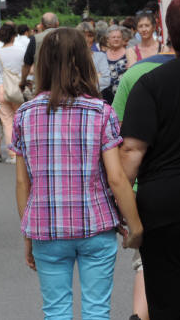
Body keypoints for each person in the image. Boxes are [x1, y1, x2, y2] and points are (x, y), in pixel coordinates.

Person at [12, 28, 143, 319]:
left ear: (43, 63)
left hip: (46, 228)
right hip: (95, 225)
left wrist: (27, 234)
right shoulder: (101, 112)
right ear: (85, 62)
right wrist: (134, 225)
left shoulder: (24, 114)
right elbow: (116, 178)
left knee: (56, 311)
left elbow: (23, 182)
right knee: (96, 310)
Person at [120, 0, 180, 319]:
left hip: (165, 207)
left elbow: (131, 152)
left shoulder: (150, 85)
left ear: (168, 33)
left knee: (167, 297)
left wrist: (122, 211)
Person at [0, 23, 25, 164]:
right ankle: (22, 151)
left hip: (1, 88)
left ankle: (12, 154)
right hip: (16, 88)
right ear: (14, 36)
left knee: (7, 123)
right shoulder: (21, 50)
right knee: (19, 120)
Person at [19, 12, 59, 91]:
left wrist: (23, 82)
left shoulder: (35, 39)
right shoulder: (68, 38)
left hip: (41, 86)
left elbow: (27, 65)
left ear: (41, 25)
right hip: (63, 86)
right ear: (57, 24)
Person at [76, 22, 111, 93]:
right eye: (83, 35)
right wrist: (95, 76)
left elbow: (106, 81)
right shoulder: (71, 57)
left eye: (90, 36)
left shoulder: (100, 56)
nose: (86, 39)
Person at [101, 25, 128, 104]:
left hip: (124, 97)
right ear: (108, 40)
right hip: (106, 98)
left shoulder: (129, 54)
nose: (116, 39)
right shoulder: (102, 56)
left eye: (118, 37)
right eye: (113, 37)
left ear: (122, 39)